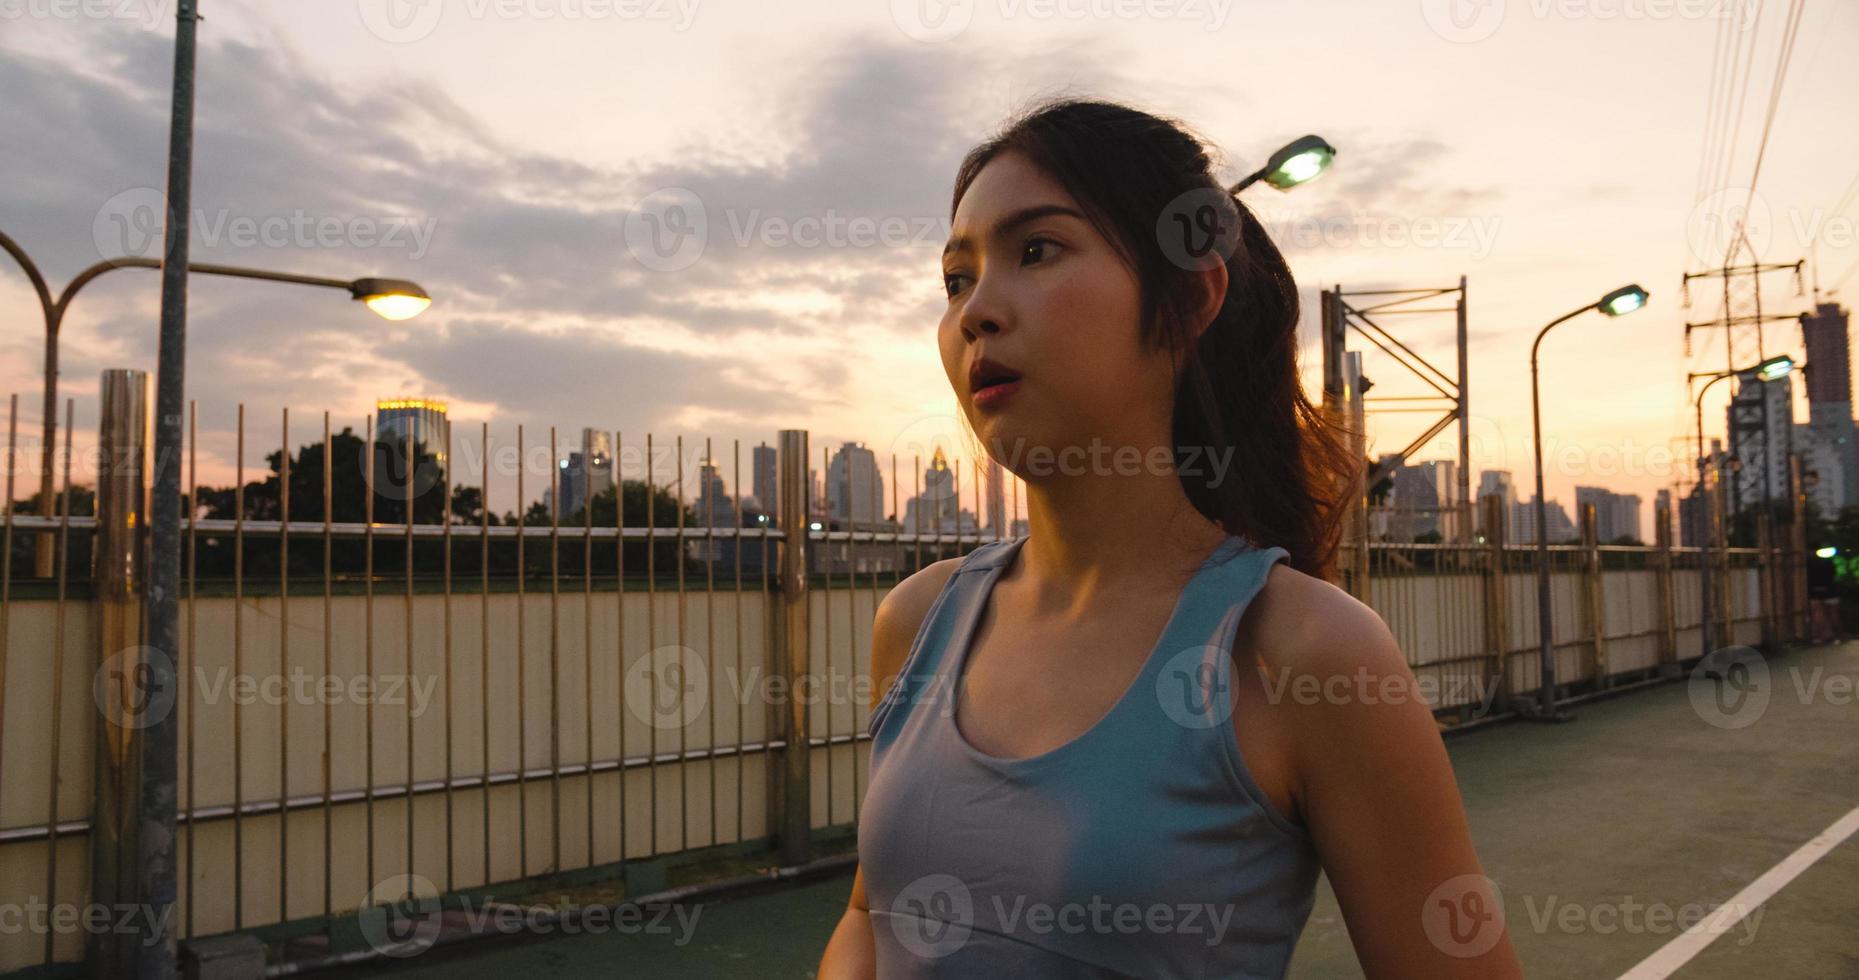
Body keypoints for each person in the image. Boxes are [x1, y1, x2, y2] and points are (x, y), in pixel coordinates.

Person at [817, 99, 1521, 978]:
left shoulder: (1302, 652)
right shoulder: (918, 620)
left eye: (1036, 250)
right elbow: (865, 917)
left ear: (1186, 296)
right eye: (956, 279)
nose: (976, 312)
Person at [1807, 550, 1839, 643]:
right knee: (1833, 614)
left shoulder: (1809, 564)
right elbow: (1834, 574)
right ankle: (1835, 636)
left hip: (1815, 591)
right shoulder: (1829, 563)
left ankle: (1819, 637)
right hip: (1831, 591)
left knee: (1818, 614)